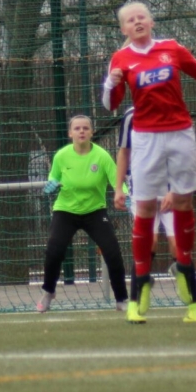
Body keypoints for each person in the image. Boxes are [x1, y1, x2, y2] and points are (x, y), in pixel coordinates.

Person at [102, 1, 196, 324]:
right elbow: (111, 104)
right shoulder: (121, 58)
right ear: (123, 29)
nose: (137, 22)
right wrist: (111, 83)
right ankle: (139, 291)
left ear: (151, 21)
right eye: (130, 20)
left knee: (184, 203)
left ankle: (190, 291)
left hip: (180, 133)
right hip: (146, 139)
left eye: (141, 17)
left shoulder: (172, 48)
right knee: (144, 208)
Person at [36, 114, 128, 313]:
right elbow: (53, 177)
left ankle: (121, 299)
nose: (81, 132)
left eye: (86, 128)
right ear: (70, 133)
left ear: (92, 132)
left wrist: (124, 195)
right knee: (54, 251)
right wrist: (50, 185)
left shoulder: (102, 156)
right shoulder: (61, 156)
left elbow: (117, 180)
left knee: (112, 252)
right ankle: (48, 292)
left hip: (95, 211)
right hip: (65, 210)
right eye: (77, 128)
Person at [115, 107, 178, 272]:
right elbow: (124, 152)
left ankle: (184, 278)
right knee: (149, 241)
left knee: (178, 245)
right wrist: (118, 188)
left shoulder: (174, 112)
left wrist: (175, 189)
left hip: (170, 190)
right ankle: (140, 283)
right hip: (142, 190)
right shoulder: (131, 116)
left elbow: (183, 156)